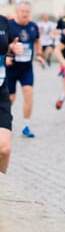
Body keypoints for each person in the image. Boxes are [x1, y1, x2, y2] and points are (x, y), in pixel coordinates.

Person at [6, 1, 45, 138]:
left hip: (26, 68)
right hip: (10, 68)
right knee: (10, 98)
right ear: (17, 11)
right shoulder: (9, 25)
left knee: (28, 93)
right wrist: (7, 55)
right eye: (22, 11)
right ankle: (4, 124)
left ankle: (26, 125)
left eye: (27, 12)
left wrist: (39, 55)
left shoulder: (33, 26)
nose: (25, 14)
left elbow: (37, 41)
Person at [0, 15, 24, 173]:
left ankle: (3, 190)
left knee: (4, 149)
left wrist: (13, 49)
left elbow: (7, 49)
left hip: (1, 89)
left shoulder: (2, 21)